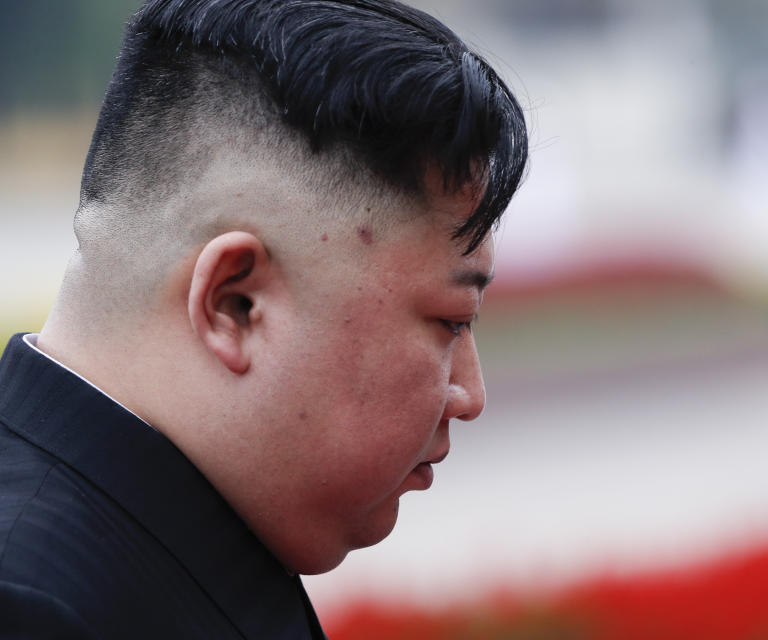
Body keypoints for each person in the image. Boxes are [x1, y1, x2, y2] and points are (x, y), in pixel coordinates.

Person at [0, 0, 527, 637]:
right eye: (451, 321)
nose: (470, 395)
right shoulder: (33, 606)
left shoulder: (171, 536)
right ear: (235, 305)